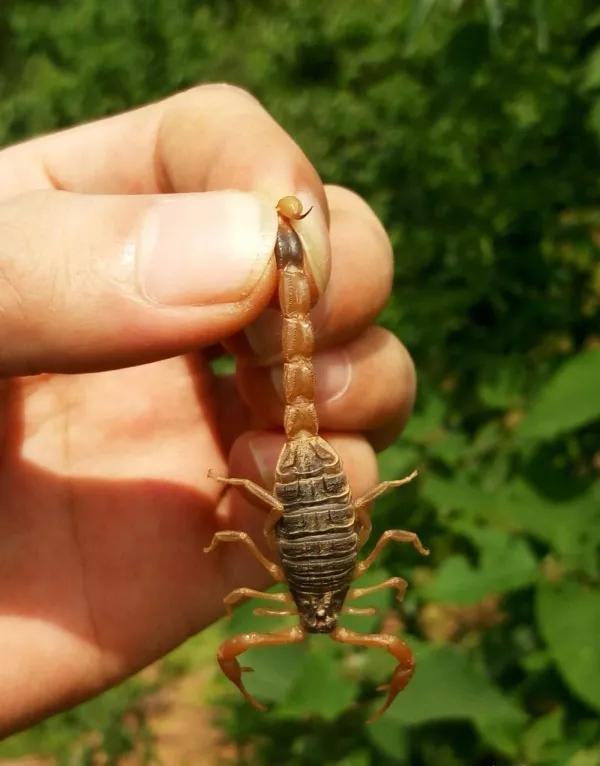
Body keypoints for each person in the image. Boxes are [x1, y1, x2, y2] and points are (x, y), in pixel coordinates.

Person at [0, 84, 416, 736]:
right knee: (327, 394)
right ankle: (279, 251)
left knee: (330, 397)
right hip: (321, 497)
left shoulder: (290, 596)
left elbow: (346, 541)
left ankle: (281, 251)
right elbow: (369, 539)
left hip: (304, 502)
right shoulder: (336, 597)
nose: (320, 627)